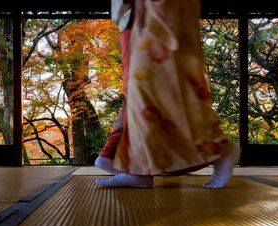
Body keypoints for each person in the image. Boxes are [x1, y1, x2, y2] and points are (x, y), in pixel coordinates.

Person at [95, 0, 240, 189]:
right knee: (142, 92)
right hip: (137, 11)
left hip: (159, 9)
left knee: (161, 85)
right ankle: (139, 169)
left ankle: (222, 148)